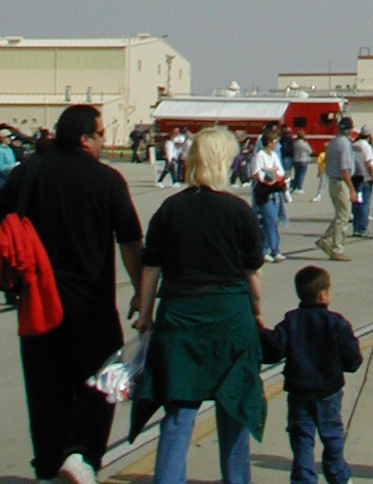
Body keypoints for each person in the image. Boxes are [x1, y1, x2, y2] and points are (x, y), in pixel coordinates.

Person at [0, 104, 143, 484]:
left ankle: (47, 465)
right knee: (105, 378)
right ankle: (82, 455)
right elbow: (129, 241)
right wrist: (141, 291)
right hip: (90, 305)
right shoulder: (107, 180)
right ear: (85, 138)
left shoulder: (30, 172)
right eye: (101, 134)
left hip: (38, 301)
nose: (104, 141)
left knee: (45, 389)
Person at [132, 125, 267, 484]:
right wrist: (256, 311)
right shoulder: (239, 211)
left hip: (180, 317)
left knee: (179, 412)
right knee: (235, 406)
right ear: (225, 161)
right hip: (229, 315)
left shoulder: (170, 209)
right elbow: (253, 273)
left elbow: (151, 268)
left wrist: (145, 315)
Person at [260, 265, 361, 484]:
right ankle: (337, 474)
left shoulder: (291, 321)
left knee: (302, 438)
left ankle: (304, 478)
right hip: (328, 391)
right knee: (332, 434)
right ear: (323, 295)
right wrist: (345, 363)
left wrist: (260, 331)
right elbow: (353, 359)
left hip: (299, 391)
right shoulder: (337, 323)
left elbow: (274, 349)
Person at [319, 116, 355, 262]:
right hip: (341, 182)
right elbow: (345, 169)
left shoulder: (333, 142)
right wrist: (351, 189)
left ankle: (326, 239)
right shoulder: (345, 144)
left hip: (332, 181)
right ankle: (337, 249)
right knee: (343, 217)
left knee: (340, 215)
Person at [250, 124, 288, 262]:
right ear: (268, 142)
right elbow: (256, 173)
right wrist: (268, 175)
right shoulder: (260, 155)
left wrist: (279, 176)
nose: (276, 144)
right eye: (274, 141)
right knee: (271, 219)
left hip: (275, 191)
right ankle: (275, 250)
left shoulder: (274, 155)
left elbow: (280, 171)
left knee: (270, 221)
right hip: (264, 192)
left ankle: (264, 250)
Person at [351, 126, 373, 236]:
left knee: (356, 203)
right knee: (365, 204)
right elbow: (368, 164)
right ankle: (362, 228)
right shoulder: (366, 146)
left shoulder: (354, 145)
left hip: (354, 178)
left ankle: (356, 227)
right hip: (365, 179)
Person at [0, 128, 19, 197]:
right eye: (8, 137)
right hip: (0, 178)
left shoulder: (9, 149)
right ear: (2, 138)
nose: (10, 139)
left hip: (9, 177)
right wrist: (10, 167)